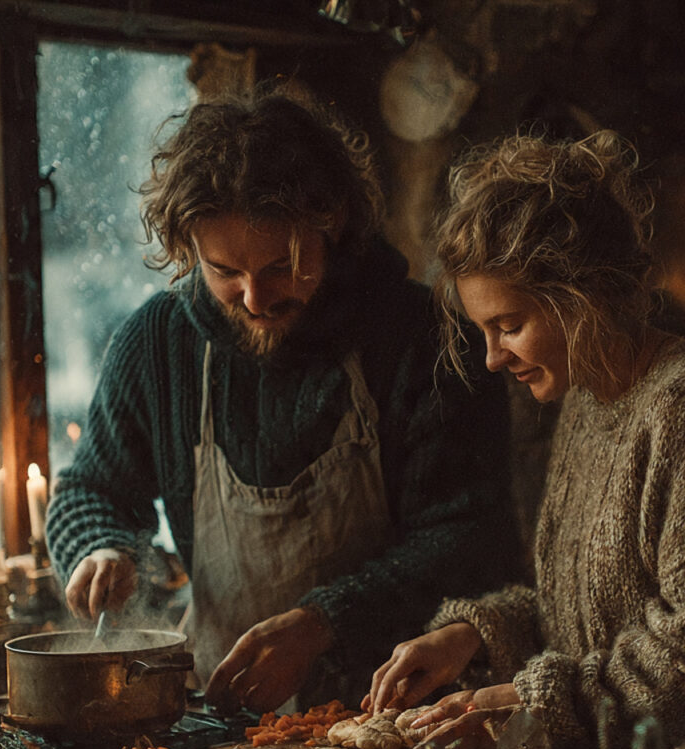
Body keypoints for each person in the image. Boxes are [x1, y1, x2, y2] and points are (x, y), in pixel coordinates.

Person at [366, 129, 685, 749]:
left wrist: (527, 706)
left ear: (582, 297)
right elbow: (587, 617)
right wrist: (472, 637)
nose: (491, 358)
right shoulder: (587, 400)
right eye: (484, 330)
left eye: (510, 326)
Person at [44, 82, 519, 714]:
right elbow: (90, 490)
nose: (255, 298)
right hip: (219, 722)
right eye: (224, 271)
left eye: (281, 267)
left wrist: (324, 624)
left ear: (335, 226)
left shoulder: (425, 341)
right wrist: (99, 546)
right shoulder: (160, 345)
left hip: (400, 716)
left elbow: (469, 542)